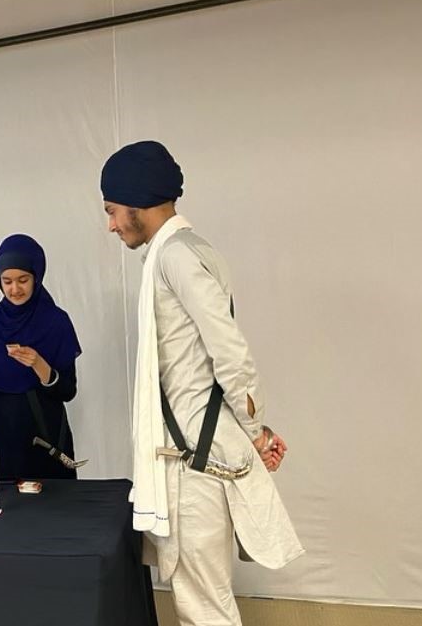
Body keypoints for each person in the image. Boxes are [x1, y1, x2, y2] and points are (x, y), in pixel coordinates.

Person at [99, 141, 303, 626]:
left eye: (112, 211)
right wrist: (257, 432)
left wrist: (256, 431)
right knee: (203, 602)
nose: (111, 225)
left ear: (136, 201)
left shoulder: (177, 257)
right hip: (194, 452)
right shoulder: (187, 250)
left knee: (205, 609)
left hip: (194, 462)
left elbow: (228, 350)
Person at [0, 234, 82, 481]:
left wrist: (39, 364)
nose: (15, 289)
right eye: (7, 281)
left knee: (56, 505)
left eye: (23, 280)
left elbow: (68, 391)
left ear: (37, 276)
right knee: (0, 504)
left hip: (45, 442)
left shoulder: (56, 322)